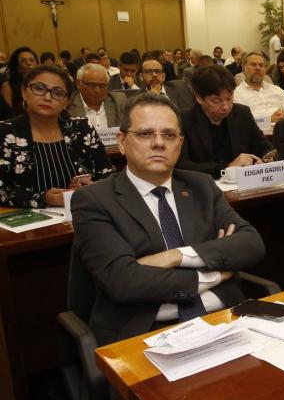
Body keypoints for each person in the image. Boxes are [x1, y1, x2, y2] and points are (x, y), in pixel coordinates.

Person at [71, 94, 265, 345]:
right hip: (146, 330)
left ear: (180, 143)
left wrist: (175, 256)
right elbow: (123, 281)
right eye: (145, 134)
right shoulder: (95, 200)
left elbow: (251, 244)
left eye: (169, 135)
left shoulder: (201, 185)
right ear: (122, 141)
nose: (159, 143)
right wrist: (213, 275)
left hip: (225, 317)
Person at [0, 65, 113, 208]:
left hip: (81, 211)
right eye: (39, 88)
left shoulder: (82, 128)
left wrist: (93, 187)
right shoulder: (4, 132)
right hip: (29, 218)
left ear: (67, 102)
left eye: (58, 93)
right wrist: (43, 198)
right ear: (24, 92)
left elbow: (108, 176)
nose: (47, 97)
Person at [177, 65, 273, 178]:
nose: (226, 107)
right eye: (216, 101)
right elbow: (182, 165)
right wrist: (227, 168)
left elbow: (264, 146)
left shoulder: (242, 113)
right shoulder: (183, 121)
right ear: (199, 98)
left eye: (229, 98)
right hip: (203, 184)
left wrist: (266, 159)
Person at [233, 51, 284, 122]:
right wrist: (269, 120)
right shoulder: (237, 94)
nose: (258, 68)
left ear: (265, 70)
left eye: (261, 65)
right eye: (253, 65)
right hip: (259, 129)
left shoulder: (277, 90)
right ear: (244, 68)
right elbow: (243, 121)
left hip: (283, 126)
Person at [131, 52, 196, 113]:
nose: (154, 75)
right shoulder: (136, 100)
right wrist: (149, 99)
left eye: (158, 71)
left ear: (163, 76)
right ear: (141, 77)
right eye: (148, 71)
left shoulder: (181, 87)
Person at [68, 63, 128, 128]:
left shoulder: (119, 101)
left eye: (102, 86)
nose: (97, 90)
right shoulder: (69, 105)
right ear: (78, 84)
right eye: (92, 85)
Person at [1, 47, 39, 116]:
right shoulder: (8, 85)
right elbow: (8, 114)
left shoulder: (43, 83)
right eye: (23, 61)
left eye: (31, 60)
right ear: (18, 66)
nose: (28, 63)